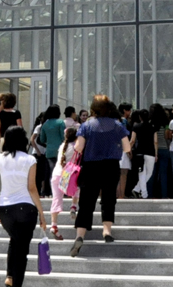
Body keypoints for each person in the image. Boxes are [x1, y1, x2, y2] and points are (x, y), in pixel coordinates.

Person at [0, 126, 47, 287]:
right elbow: (32, 188)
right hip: (26, 209)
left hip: (5, 210)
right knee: (22, 250)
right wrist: (42, 214)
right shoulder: (30, 159)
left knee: (15, 240)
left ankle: (10, 276)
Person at [69, 95, 132, 257]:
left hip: (90, 166)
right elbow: (126, 148)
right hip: (111, 166)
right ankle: (107, 231)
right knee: (109, 198)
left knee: (86, 201)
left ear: (93, 109)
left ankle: (80, 236)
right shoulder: (118, 125)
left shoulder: (87, 125)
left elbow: (79, 148)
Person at [48, 126, 79, 240]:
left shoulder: (62, 146)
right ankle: (73, 206)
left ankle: (54, 225)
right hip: (69, 175)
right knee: (77, 188)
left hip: (56, 174)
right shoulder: (76, 147)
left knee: (56, 198)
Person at [130, 109, 156, 199]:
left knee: (141, 173)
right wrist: (156, 154)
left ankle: (137, 189)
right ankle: (143, 193)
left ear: (140, 117)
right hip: (151, 152)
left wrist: (128, 150)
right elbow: (155, 141)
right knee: (149, 173)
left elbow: (132, 140)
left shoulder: (136, 126)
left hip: (139, 152)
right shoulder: (153, 126)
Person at [40, 104, 67, 181]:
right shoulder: (61, 122)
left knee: (53, 172)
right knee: (62, 171)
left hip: (50, 152)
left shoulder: (45, 124)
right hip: (61, 151)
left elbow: (42, 140)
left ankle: (53, 190)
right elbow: (63, 137)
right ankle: (62, 190)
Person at [150, 104, 171, 198]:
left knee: (151, 174)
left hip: (152, 151)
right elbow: (167, 137)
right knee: (164, 174)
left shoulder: (150, 123)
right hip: (164, 149)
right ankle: (164, 195)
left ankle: (149, 194)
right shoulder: (166, 122)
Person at [29, 112, 50, 197]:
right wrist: (37, 150)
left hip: (45, 153)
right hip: (38, 153)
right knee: (38, 174)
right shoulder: (39, 127)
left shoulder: (48, 127)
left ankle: (44, 191)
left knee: (45, 173)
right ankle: (38, 191)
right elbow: (32, 139)